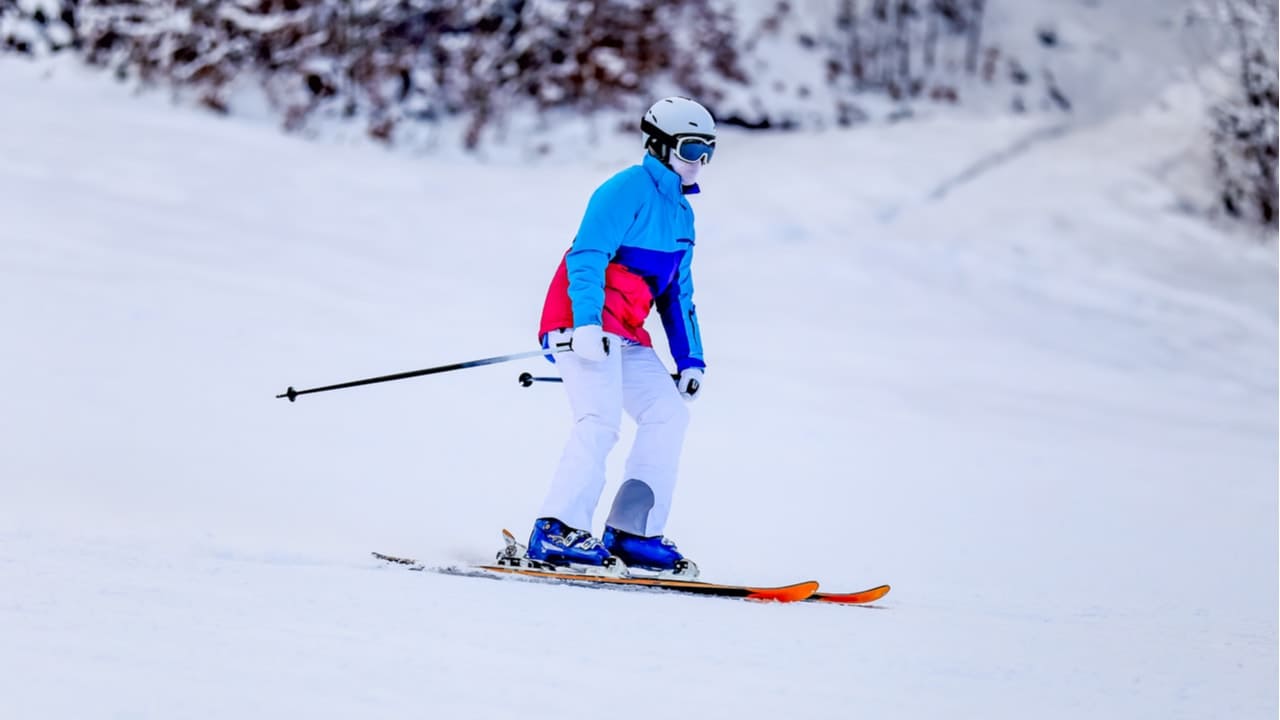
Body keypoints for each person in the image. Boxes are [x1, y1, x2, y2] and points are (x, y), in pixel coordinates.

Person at [526, 97, 715, 575]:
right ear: (661, 145)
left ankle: (633, 532)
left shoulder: (682, 216)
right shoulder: (625, 190)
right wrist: (585, 325)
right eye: (692, 149)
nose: (701, 162)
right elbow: (587, 255)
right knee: (600, 419)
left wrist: (690, 359)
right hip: (581, 323)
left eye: (709, 151)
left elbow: (677, 294)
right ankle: (555, 530)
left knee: (667, 415)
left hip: (626, 333)